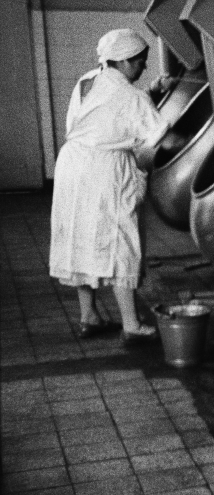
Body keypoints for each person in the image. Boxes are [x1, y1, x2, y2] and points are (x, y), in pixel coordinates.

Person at [49, 29, 174, 343]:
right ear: (125, 60)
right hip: (105, 170)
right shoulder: (133, 97)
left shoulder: (88, 80)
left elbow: (110, 107)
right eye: (141, 61)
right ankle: (132, 325)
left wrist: (152, 91)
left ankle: (89, 316)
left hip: (73, 165)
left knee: (79, 236)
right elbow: (160, 136)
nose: (144, 66)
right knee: (121, 240)